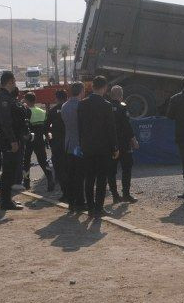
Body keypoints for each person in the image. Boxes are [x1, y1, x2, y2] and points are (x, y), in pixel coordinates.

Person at [77, 75, 118, 218]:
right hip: (103, 148)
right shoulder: (107, 105)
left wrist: (81, 144)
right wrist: (114, 147)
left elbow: (79, 127)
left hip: (87, 147)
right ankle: (99, 208)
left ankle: (90, 208)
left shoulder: (82, 104)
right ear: (105, 88)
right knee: (101, 179)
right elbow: (111, 129)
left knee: (89, 179)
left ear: (92, 87)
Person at [0, 71, 23, 210]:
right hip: (9, 141)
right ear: (10, 81)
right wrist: (12, 140)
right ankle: (5, 202)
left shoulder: (5, 97)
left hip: (10, 139)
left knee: (10, 170)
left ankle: (7, 200)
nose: (15, 84)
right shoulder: (3, 98)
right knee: (8, 171)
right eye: (14, 81)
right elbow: (5, 122)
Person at [107, 86, 138, 202]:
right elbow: (127, 126)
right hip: (123, 144)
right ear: (121, 96)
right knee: (126, 168)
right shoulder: (122, 107)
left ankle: (115, 195)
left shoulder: (106, 106)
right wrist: (134, 140)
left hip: (110, 144)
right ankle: (126, 194)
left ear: (111, 95)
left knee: (111, 170)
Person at [59, 82, 86, 210]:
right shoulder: (81, 106)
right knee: (79, 174)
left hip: (68, 143)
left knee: (70, 174)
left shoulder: (64, 106)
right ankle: (80, 201)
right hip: (78, 145)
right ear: (81, 91)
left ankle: (71, 201)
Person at [22, 92, 54, 191]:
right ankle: (50, 179)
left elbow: (24, 126)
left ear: (27, 100)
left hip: (29, 139)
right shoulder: (42, 111)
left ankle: (26, 183)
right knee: (43, 161)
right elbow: (45, 126)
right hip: (40, 139)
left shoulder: (25, 111)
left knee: (26, 161)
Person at [47, 89, 70, 200]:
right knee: (71, 168)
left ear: (56, 98)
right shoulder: (71, 109)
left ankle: (65, 193)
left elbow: (45, 128)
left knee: (60, 169)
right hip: (70, 143)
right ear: (66, 97)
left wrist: (50, 140)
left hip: (57, 144)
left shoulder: (52, 111)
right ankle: (75, 193)